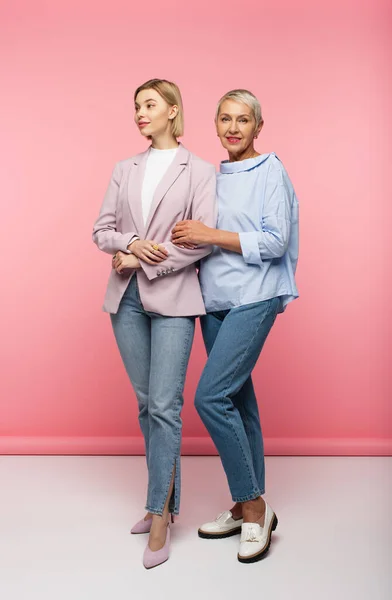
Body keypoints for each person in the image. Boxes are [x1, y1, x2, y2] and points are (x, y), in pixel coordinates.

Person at [171, 89, 299, 563]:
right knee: (240, 402)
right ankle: (245, 503)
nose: (233, 127)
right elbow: (191, 233)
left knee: (210, 397)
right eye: (225, 118)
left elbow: (275, 239)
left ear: (258, 126)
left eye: (243, 119)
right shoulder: (210, 176)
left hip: (256, 295)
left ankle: (255, 506)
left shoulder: (271, 170)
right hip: (215, 299)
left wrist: (210, 235)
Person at [93, 79, 216, 569]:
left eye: (148, 105)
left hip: (175, 300)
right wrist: (130, 244)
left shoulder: (200, 170)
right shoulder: (125, 168)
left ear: (172, 111)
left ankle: (160, 514)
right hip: (124, 300)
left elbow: (202, 239)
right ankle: (160, 499)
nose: (140, 114)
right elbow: (101, 229)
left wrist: (148, 260)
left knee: (166, 406)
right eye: (136, 107)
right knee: (147, 405)